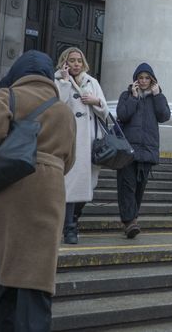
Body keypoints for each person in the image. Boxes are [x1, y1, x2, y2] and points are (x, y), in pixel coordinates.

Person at [0, 50, 76, 331]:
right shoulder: (64, 109)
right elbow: (69, 158)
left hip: (7, 189)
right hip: (49, 192)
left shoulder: (8, 96)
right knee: (37, 274)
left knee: (4, 269)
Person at [54, 47, 109, 244]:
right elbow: (58, 104)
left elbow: (105, 112)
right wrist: (65, 82)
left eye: (79, 60)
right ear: (65, 62)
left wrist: (96, 101)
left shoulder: (91, 82)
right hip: (69, 141)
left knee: (86, 187)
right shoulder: (59, 81)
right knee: (70, 185)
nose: (76, 64)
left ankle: (73, 219)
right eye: (72, 60)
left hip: (90, 142)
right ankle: (69, 228)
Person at [115, 62, 171, 238]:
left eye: (147, 78)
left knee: (139, 188)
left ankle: (132, 219)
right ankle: (129, 222)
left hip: (147, 150)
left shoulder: (157, 97)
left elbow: (164, 116)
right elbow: (122, 115)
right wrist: (133, 97)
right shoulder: (126, 95)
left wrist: (158, 95)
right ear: (136, 80)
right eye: (141, 78)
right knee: (127, 187)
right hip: (128, 149)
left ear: (152, 80)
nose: (144, 80)